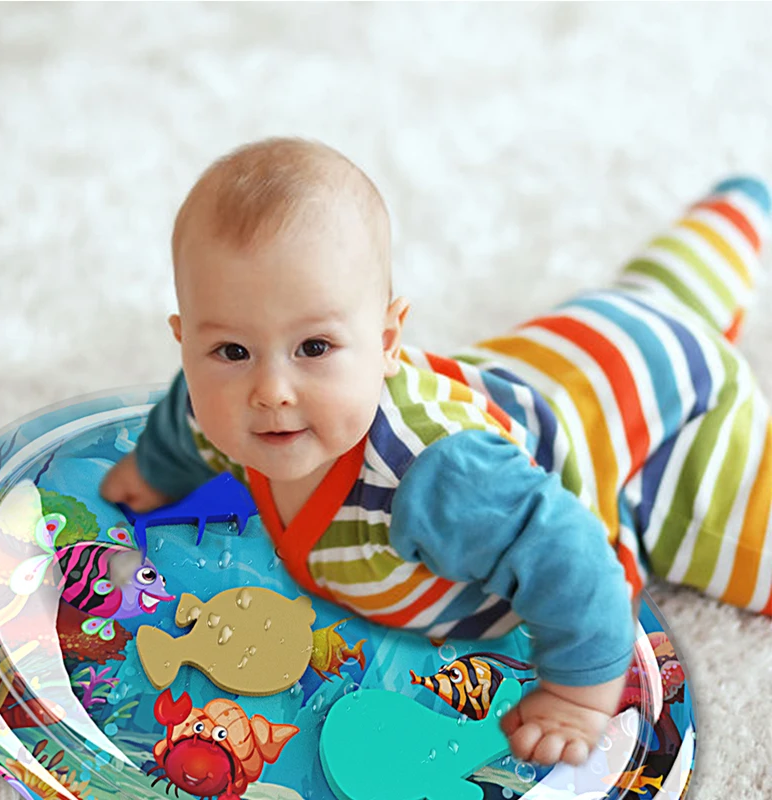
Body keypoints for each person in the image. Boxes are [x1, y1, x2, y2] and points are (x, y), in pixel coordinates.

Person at [100, 137, 771, 767]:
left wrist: (576, 695)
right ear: (186, 343)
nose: (270, 391)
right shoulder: (214, 407)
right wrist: (152, 472)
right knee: (660, 293)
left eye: (314, 347)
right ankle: (740, 205)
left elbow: (577, 563)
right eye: (232, 351)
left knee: (740, 539)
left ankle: (741, 211)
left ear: (388, 340)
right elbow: (183, 421)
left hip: (665, 431)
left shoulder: (434, 482)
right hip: (572, 350)